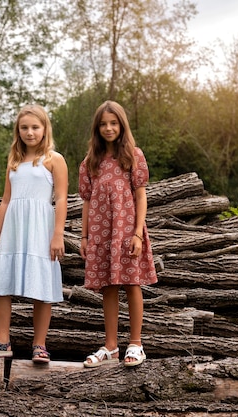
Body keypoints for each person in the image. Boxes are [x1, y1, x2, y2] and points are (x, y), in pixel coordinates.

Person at [0, 104, 68, 364]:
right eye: (24, 128)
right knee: (1, 280)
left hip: (40, 228)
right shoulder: (13, 160)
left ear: (44, 129)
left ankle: (39, 344)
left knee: (41, 283)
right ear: (18, 130)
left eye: (35, 127)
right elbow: (5, 200)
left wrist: (58, 234)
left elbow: (60, 199)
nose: (30, 132)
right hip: (14, 227)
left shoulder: (53, 159)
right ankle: (2, 340)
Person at [78, 100, 158, 368]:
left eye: (113, 123)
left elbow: (140, 195)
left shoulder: (132, 156)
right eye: (103, 124)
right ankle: (111, 346)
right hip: (101, 233)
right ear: (97, 128)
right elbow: (87, 201)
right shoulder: (91, 162)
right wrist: (85, 236)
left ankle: (136, 344)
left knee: (131, 283)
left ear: (122, 125)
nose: (108, 128)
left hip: (126, 231)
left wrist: (137, 233)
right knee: (108, 287)